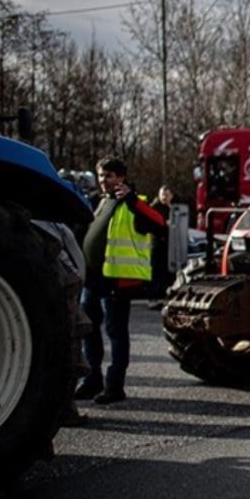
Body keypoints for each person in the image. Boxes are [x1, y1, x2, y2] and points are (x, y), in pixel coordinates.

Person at [74, 157, 167, 405]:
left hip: (116, 281)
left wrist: (132, 199)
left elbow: (159, 223)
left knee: (116, 333)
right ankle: (92, 379)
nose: (105, 180)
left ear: (122, 177)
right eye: (102, 175)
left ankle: (114, 386)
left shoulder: (133, 203)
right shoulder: (101, 202)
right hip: (93, 279)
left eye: (110, 176)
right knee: (89, 331)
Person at [147, 184, 174, 307]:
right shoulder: (155, 207)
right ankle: (153, 297)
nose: (164, 197)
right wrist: (164, 224)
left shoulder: (172, 209)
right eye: (163, 194)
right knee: (156, 271)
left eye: (167, 194)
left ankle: (163, 296)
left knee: (164, 272)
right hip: (157, 244)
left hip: (167, 245)